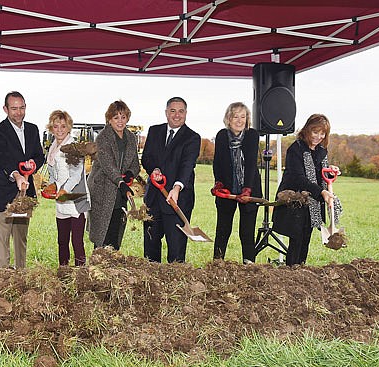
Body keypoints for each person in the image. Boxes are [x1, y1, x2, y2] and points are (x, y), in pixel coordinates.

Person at [0, 91, 45, 269]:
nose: (18, 112)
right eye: (14, 108)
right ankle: (2, 279)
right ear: (5, 109)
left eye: (22, 108)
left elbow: (39, 155)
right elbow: (1, 158)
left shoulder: (33, 129)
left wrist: (33, 162)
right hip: (2, 194)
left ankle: (21, 276)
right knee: (0, 240)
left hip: (24, 195)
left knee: (21, 239)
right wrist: (17, 175)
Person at [273, 114, 340, 266]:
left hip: (312, 202)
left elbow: (320, 174)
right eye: (315, 132)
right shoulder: (295, 149)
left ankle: (301, 270)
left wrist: (330, 171)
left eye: (322, 133)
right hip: (295, 199)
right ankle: (291, 271)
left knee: (306, 238)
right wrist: (321, 193)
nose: (319, 136)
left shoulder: (321, 150)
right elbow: (299, 178)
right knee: (296, 238)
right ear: (307, 130)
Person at [141, 97, 201, 263]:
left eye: (181, 111)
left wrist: (176, 187)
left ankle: (175, 284)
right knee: (151, 246)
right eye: (173, 111)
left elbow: (187, 166)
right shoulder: (154, 131)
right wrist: (154, 170)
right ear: (166, 112)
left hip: (177, 200)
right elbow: (146, 158)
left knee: (176, 249)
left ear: (186, 113)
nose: (177, 115)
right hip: (154, 198)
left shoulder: (192, 137)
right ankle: (151, 282)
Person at [211, 102, 262, 263]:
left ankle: (249, 265)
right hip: (227, 190)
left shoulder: (252, 135)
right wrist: (218, 183)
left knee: (247, 231)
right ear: (228, 118)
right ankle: (217, 264)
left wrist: (247, 188)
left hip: (250, 188)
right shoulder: (221, 135)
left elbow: (252, 163)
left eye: (243, 116)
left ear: (247, 119)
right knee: (223, 229)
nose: (239, 120)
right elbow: (217, 161)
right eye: (235, 116)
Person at [87, 100, 140, 250]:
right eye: (116, 117)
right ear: (109, 119)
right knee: (102, 235)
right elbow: (107, 165)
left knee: (116, 232)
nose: (120, 121)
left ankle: (112, 267)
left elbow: (135, 163)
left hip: (120, 191)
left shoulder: (131, 138)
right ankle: (98, 267)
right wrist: (121, 183)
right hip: (102, 188)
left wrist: (130, 174)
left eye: (123, 117)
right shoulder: (103, 137)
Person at [45, 110, 90, 266]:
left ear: (69, 127)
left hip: (75, 199)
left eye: (63, 126)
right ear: (51, 128)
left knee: (76, 241)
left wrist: (63, 189)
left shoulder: (74, 147)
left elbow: (76, 175)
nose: (60, 130)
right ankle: (63, 272)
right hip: (61, 200)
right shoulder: (52, 147)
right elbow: (53, 173)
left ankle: (81, 276)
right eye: (56, 126)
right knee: (62, 240)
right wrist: (51, 185)